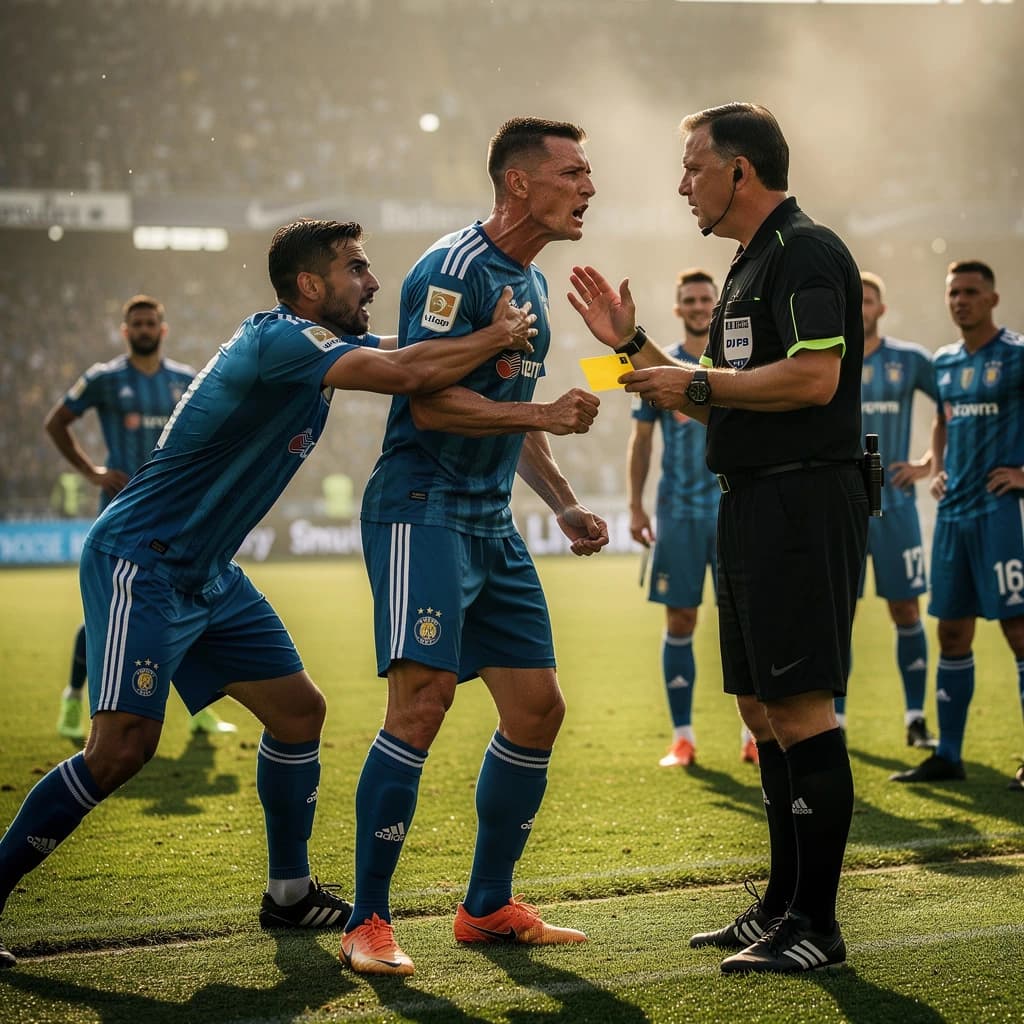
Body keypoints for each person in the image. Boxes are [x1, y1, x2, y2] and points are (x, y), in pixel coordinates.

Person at [0, 218, 537, 971]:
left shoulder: (313, 345)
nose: (373, 283)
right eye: (356, 269)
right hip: (142, 561)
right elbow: (410, 373)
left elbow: (401, 350)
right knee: (122, 748)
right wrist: (495, 335)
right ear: (310, 285)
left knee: (298, 713)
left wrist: (482, 337)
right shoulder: (282, 339)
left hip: (208, 573)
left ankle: (288, 891)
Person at [569, 102, 868, 974]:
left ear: (741, 170)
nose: (682, 182)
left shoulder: (806, 250)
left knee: (803, 710)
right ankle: (780, 907)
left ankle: (818, 925)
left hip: (802, 502)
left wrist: (696, 384)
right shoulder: (747, 266)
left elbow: (814, 379)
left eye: (694, 164)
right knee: (763, 711)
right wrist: (631, 343)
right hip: (749, 501)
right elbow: (709, 383)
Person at [343, 117, 608, 977]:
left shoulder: (526, 281)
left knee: (537, 709)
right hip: (422, 507)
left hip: (489, 518)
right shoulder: (454, 270)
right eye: (573, 172)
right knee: (420, 707)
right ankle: (367, 921)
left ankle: (487, 906)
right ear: (520, 183)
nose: (589, 188)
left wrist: (564, 504)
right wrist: (543, 411)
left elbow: (510, 411)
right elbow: (430, 403)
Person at [44, 296, 236, 740]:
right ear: (125, 331)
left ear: (163, 329)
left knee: (185, 601)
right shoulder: (105, 379)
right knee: (110, 612)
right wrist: (92, 471)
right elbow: (57, 422)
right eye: (137, 324)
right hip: (124, 514)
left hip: (177, 516)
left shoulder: (187, 381)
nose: (145, 329)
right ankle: (73, 701)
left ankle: (200, 707)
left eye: (151, 322)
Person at [890, 260, 1024, 789]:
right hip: (952, 516)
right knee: (950, 633)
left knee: (1018, 632)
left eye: (970, 292)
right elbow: (942, 421)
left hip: (1001, 516)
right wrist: (934, 467)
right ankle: (948, 754)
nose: (960, 301)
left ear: (992, 298)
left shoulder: (1015, 356)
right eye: (953, 293)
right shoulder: (943, 362)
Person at [628, 269, 757, 768]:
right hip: (678, 515)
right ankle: (683, 738)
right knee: (680, 619)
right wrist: (636, 504)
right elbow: (641, 440)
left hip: (734, 510)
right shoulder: (663, 368)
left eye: (707, 298)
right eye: (690, 300)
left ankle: (753, 736)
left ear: (718, 303)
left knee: (745, 623)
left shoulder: (737, 364)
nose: (700, 306)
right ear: (679, 308)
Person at [834, 272, 938, 747]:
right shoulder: (826, 359)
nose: (861, 308)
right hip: (841, 508)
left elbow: (953, 402)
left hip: (897, 508)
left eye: (869, 301)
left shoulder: (910, 360)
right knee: (839, 615)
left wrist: (929, 462)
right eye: (855, 300)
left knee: (905, 610)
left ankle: (916, 718)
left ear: (881, 308)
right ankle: (834, 720)